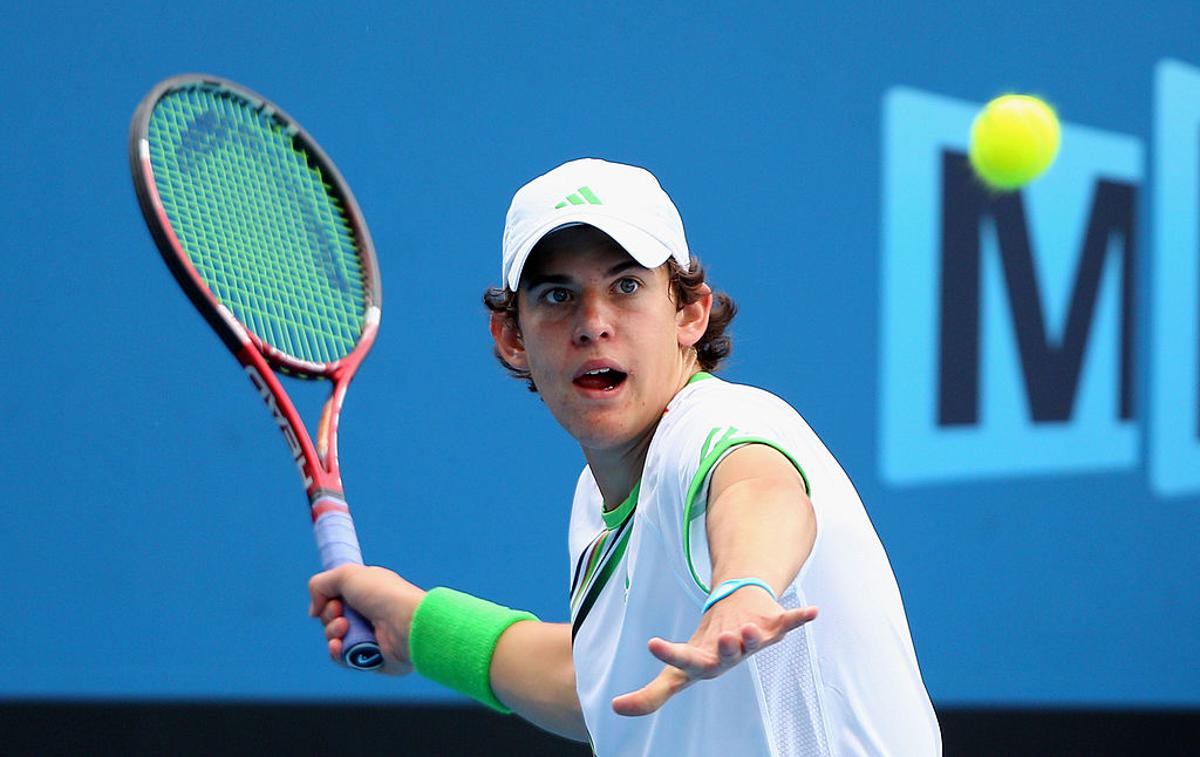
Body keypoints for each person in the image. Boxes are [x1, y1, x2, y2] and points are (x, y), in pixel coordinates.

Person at [309, 158, 941, 755]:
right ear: (512, 338)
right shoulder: (596, 499)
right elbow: (600, 687)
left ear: (689, 313)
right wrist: (418, 626)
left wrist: (745, 586)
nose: (593, 322)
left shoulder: (721, 423)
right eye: (557, 296)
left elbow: (760, 488)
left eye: (627, 285)